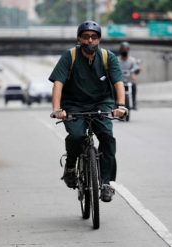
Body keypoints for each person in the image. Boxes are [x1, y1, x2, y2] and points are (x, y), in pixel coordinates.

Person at [49, 20, 127, 202]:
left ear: (99, 39)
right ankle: (70, 167)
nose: (90, 40)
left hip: (101, 102)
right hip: (74, 104)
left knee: (107, 137)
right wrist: (57, 109)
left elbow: (118, 83)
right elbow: (58, 84)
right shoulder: (70, 56)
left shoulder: (108, 57)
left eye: (94, 37)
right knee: (76, 136)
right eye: (86, 37)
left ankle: (107, 183)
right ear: (79, 39)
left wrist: (121, 106)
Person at [118, 41, 141, 109]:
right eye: (123, 49)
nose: (124, 50)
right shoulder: (116, 60)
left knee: (134, 86)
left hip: (129, 80)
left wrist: (135, 73)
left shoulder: (132, 60)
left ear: (128, 50)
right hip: (119, 80)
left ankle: (134, 103)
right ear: (120, 50)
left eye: (126, 49)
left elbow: (136, 69)